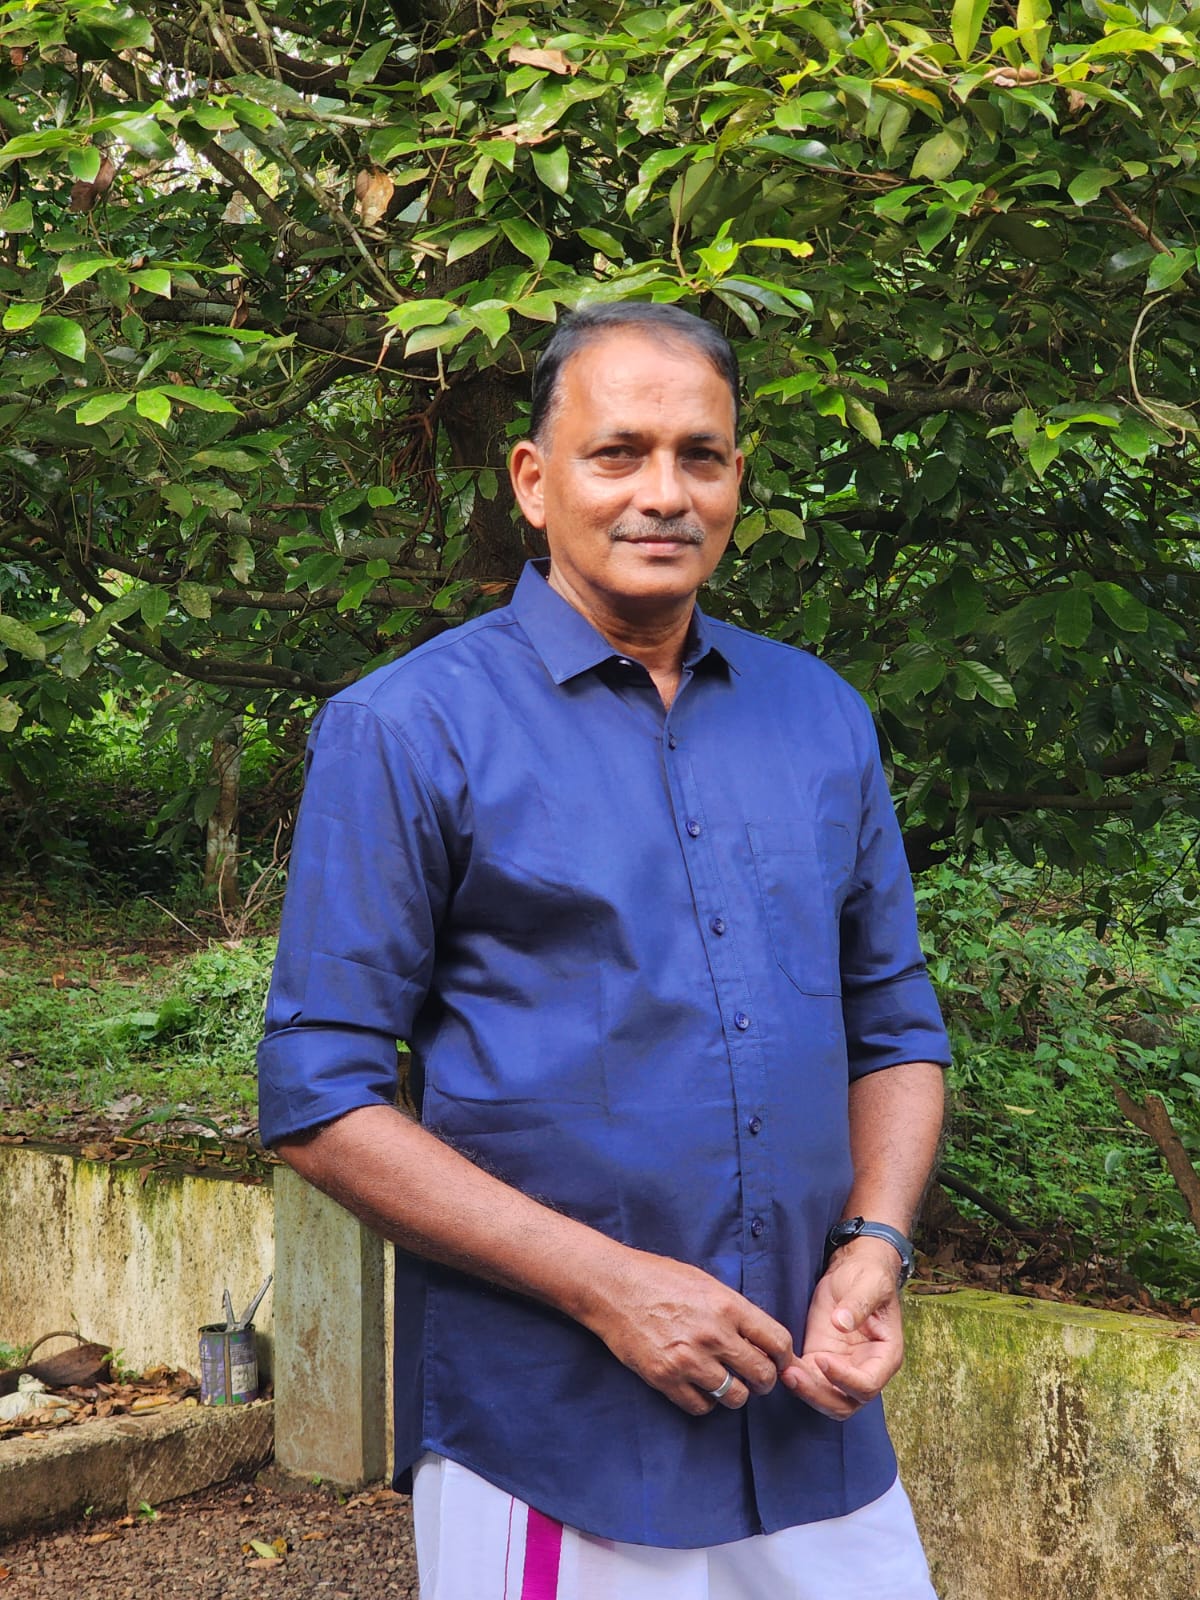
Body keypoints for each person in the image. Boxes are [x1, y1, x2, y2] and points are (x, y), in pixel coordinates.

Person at [257, 302, 950, 1599]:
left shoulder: (821, 717)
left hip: (813, 1424)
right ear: (534, 480)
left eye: (701, 456)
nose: (664, 493)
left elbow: (896, 1024)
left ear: (737, 480)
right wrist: (607, 1285)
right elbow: (317, 1096)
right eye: (618, 453)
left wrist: (876, 1246)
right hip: (556, 1441)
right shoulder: (409, 728)